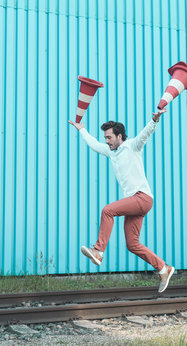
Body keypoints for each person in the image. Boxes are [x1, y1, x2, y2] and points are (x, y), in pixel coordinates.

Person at [68, 109, 174, 292]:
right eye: (105, 138)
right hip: (136, 202)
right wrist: (81, 130)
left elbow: (146, 133)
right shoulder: (112, 152)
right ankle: (164, 268)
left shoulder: (132, 145)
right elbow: (94, 144)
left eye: (109, 138)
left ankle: (98, 252)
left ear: (119, 136)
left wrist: (155, 119)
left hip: (142, 197)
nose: (106, 141)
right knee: (132, 244)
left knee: (108, 210)